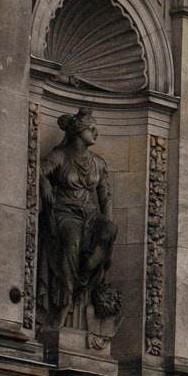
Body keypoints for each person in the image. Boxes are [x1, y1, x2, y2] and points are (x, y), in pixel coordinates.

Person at [39, 110, 118, 328]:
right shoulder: (60, 156)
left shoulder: (98, 163)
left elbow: (106, 197)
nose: (96, 133)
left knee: (109, 229)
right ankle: (64, 305)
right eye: (91, 129)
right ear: (79, 131)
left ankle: (77, 283)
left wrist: (110, 238)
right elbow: (38, 170)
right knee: (71, 242)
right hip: (65, 212)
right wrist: (44, 182)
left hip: (90, 215)